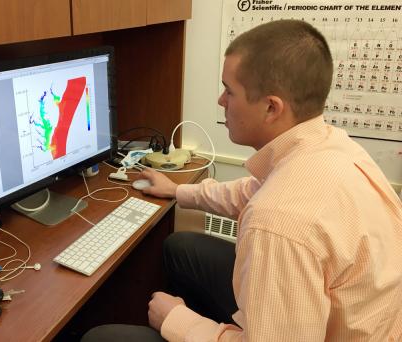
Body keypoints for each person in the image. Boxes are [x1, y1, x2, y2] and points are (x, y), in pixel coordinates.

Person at [82, 19, 402, 341]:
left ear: (271, 108)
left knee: (102, 337)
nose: (221, 101)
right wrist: (179, 190)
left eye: (229, 90)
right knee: (182, 247)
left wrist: (178, 321)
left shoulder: (278, 221)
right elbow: (253, 191)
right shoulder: (330, 144)